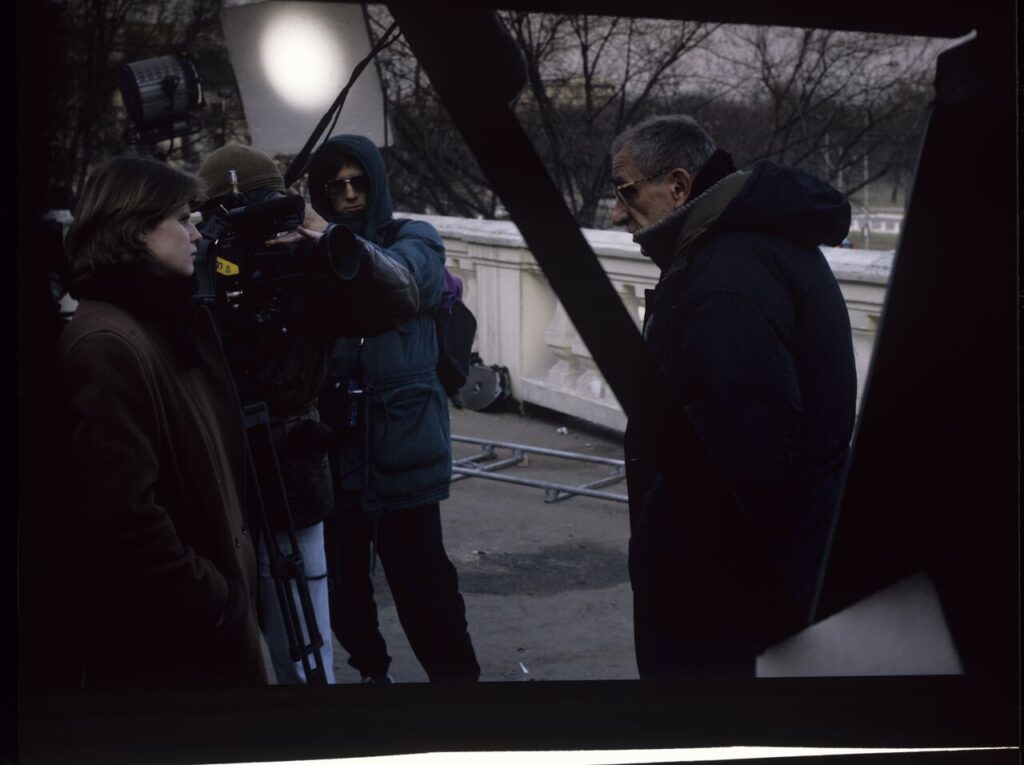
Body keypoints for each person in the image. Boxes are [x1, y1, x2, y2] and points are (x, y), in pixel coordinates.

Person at [609, 115, 857, 678]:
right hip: (773, 565)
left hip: (728, 589)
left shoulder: (726, 276)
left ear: (678, 186)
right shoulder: (741, 249)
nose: (618, 212)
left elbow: (745, 456)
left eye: (626, 191)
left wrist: (663, 551)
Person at [196, 143, 419, 684]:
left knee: (307, 610)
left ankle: (315, 706)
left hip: (294, 463)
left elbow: (401, 299)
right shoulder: (194, 268)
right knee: (235, 611)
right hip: (221, 462)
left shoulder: (308, 266)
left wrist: (331, 243)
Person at [55, 156, 267, 688]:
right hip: (177, 655)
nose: (197, 231)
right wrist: (217, 605)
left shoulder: (160, 323)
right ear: (136, 231)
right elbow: (124, 520)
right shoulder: (109, 343)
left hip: (205, 635)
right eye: (182, 218)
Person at [307, 134, 480, 684]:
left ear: (377, 183)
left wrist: (330, 240)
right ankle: (372, 676)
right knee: (342, 584)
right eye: (336, 187)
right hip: (336, 444)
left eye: (360, 182)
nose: (351, 195)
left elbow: (405, 281)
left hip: (405, 440)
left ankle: (459, 690)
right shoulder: (309, 250)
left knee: (423, 581)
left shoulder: (415, 238)